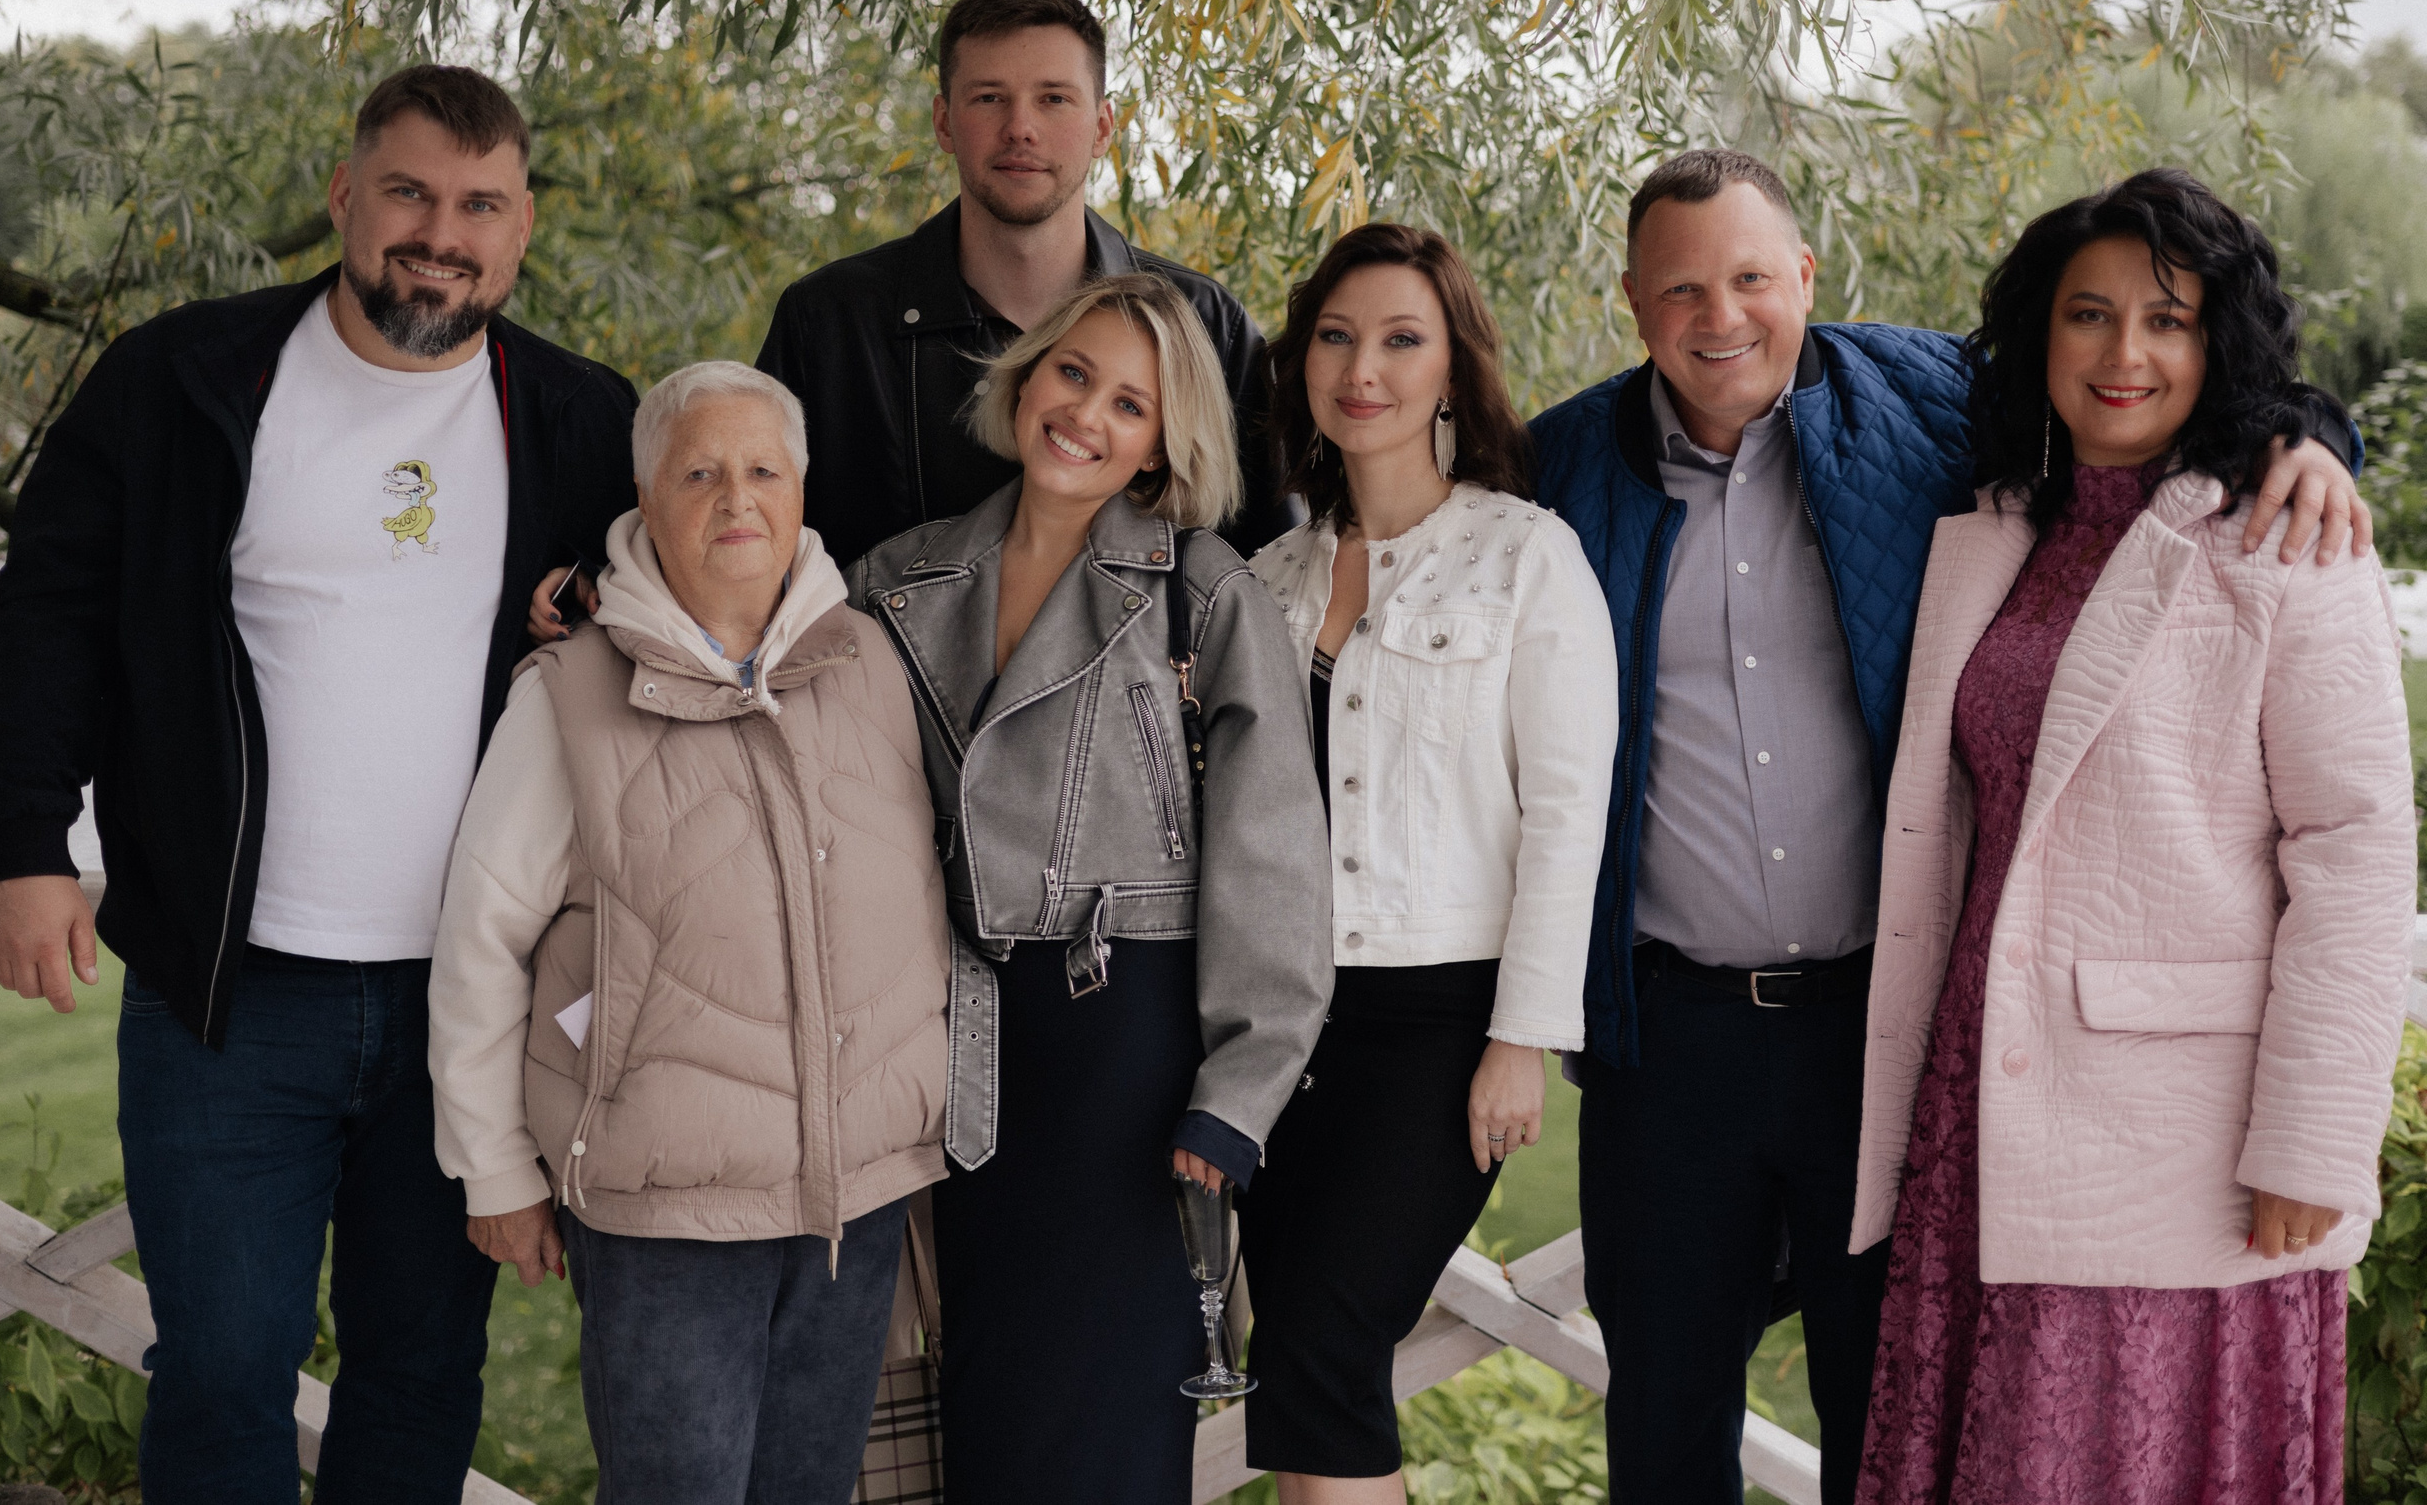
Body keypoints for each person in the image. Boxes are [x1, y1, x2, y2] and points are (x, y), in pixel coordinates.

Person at [1524, 148, 2373, 1505]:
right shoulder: (1564, 462)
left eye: (1751, 276)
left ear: (1804, 276)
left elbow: (2150, 377)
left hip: (1885, 1030)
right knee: (1665, 1420)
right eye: (1681, 286)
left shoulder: (1922, 398)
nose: (1720, 314)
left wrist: (2311, 435)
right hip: (1668, 1035)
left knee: (1897, 1421)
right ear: (1632, 299)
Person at [0, 68, 638, 1500]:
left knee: (419, 1373)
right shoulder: (185, 379)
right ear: (345, 196)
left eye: (478, 205)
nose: (438, 233)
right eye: (408, 193)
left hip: (474, 995)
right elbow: (52, 609)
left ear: (520, 233)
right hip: (228, 991)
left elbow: (673, 638)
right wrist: (19, 836)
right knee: (219, 1369)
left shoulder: (584, 418)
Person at [1850, 168, 2412, 1505]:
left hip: (2190, 1143)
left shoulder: (2287, 531)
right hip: (1979, 1103)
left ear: (2221, 343)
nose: (2125, 354)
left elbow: (2357, 849)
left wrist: (2313, 1143)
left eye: (2168, 319)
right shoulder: (1996, 532)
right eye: (2088, 315)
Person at [845, 271, 1331, 1504]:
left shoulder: (1201, 590)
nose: (1087, 417)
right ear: (1028, 374)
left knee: (1107, 1436)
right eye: (1075, 375)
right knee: (990, 1422)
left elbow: (1272, 854)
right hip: (947, 1057)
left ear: (1166, 444)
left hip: (1128, 1056)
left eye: (1131, 404)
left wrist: (1240, 1091)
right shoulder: (893, 581)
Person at [427, 361, 950, 1504]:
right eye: (699, 472)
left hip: (851, 1204)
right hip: (665, 1210)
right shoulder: (565, 692)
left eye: (763, 470)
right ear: (645, 496)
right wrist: (491, 1170)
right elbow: (480, 939)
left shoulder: (874, 667)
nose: (736, 499)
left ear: (802, 490)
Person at [523, 0, 1293, 642]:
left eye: (1053, 98)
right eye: (988, 97)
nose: (1020, 126)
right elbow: (735, 519)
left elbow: (1274, 570)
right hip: (881, 757)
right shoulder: (831, 322)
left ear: (1101, 126)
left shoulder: (1203, 325)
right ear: (943, 121)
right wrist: (602, 576)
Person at [1233, 222, 1617, 1500]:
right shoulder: (1263, 578)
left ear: (1451, 367)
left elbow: (1570, 809)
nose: (1363, 369)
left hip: (1437, 1020)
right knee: (1292, 1359)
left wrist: (1522, 1036)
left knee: (1325, 1341)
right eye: (1335, 338)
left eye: (1401, 338)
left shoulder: (1524, 555)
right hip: (1277, 1023)